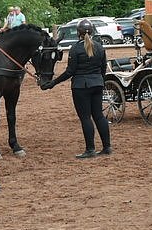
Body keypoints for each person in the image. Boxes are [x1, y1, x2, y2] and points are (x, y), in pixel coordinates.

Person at [40, 19, 111, 159]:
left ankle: (90, 149)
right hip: (97, 83)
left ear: (78, 33)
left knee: (85, 118)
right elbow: (103, 69)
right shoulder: (100, 47)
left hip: (81, 86)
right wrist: (98, 80)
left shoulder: (75, 49)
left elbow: (70, 72)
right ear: (92, 31)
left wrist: (53, 83)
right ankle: (107, 147)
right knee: (99, 116)